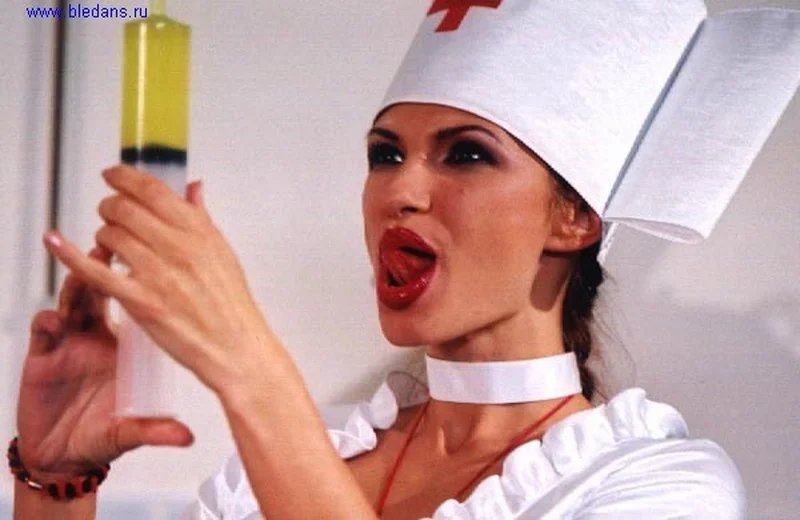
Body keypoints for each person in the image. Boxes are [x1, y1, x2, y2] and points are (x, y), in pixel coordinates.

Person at [10, 1, 799, 519]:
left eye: (466, 154)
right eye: (385, 155)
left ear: (574, 217)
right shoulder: (275, 470)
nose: (400, 192)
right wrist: (57, 480)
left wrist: (249, 368)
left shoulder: (655, 487)